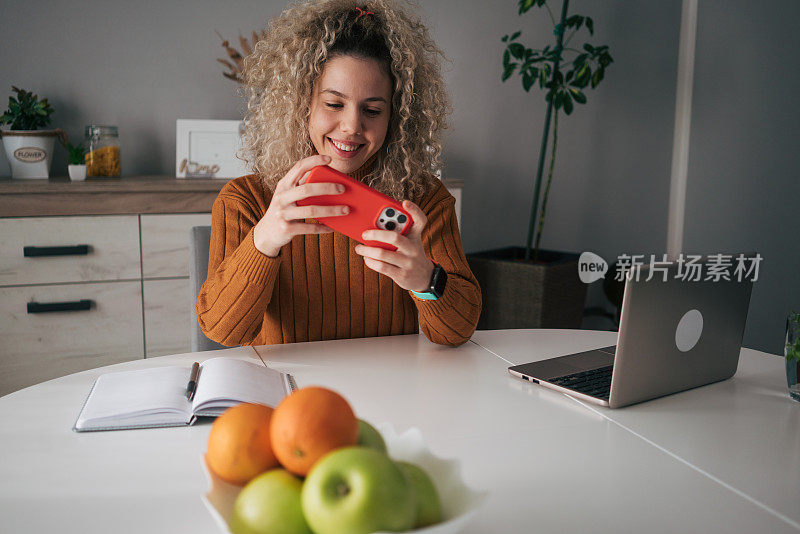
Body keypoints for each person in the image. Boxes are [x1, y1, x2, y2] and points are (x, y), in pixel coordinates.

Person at [197, 0, 481, 348]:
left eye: (373, 110)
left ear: (397, 117)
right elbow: (221, 330)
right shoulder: (246, 201)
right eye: (333, 104)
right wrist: (265, 239)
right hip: (289, 394)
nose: (351, 127)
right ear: (302, 103)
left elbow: (457, 332)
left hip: (392, 391)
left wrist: (427, 279)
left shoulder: (423, 200)